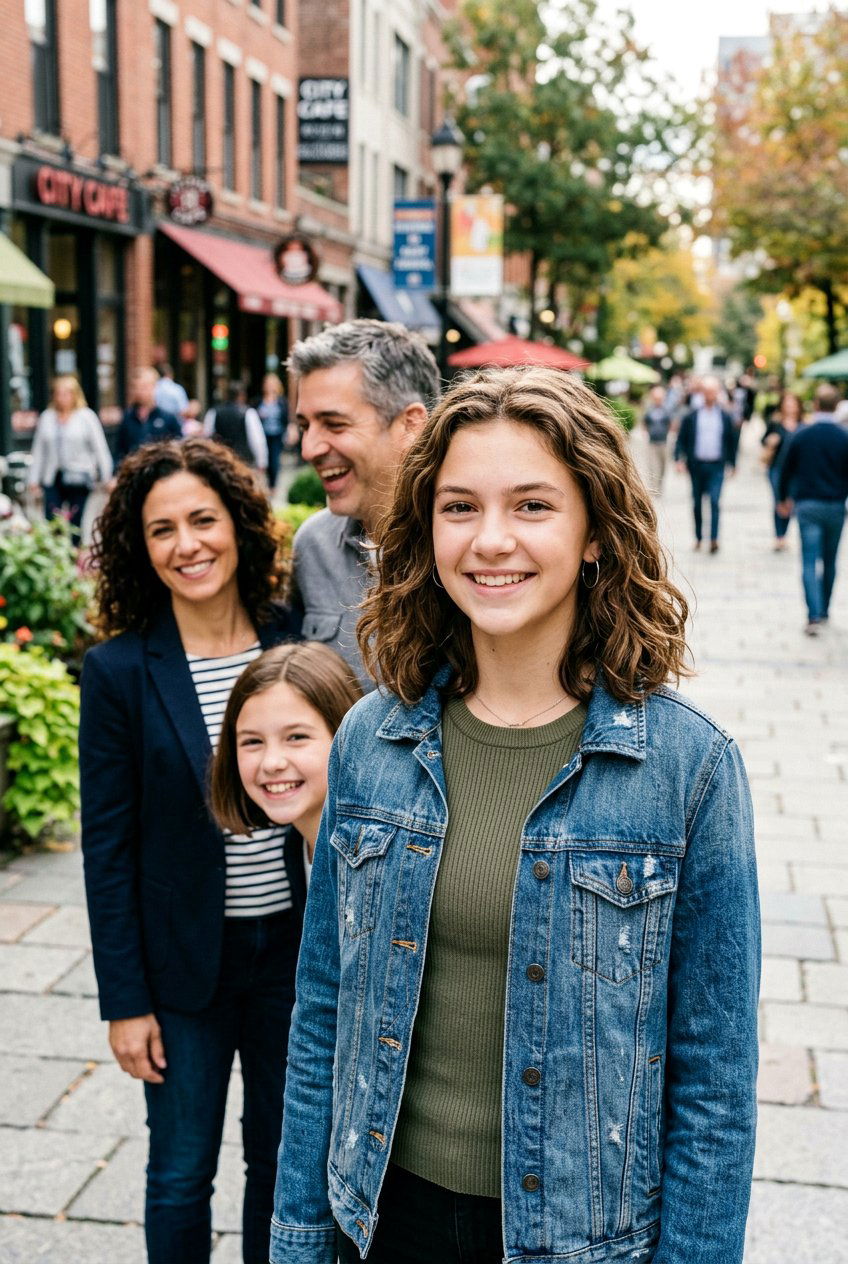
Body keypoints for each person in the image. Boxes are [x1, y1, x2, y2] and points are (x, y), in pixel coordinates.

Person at [271, 367, 760, 1264]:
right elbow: (323, 1015)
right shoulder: (371, 740)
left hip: (584, 1241)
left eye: (532, 505)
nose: (491, 540)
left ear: (595, 533)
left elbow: (714, 1087)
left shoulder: (687, 768)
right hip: (382, 1222)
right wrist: (298, 1240)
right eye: (460, 507)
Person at [78, 438, 303, 1264]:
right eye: (162, 529)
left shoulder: (292, 639)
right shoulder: (118, 671)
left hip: (293, 955)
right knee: (179, 1174)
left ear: (238, 523)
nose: (187, 544)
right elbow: (107, 846)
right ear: (140, 548)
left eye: (203, 520)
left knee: (282, 1166)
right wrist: (124, 1002)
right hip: (180, 970)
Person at [289, 318, 440, 685]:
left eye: (334, 424)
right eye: (305, 426)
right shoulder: (313, 546)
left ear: (411, 425)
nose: (309, 449)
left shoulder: (470, 548)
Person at [209, 642, 362, 883]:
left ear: (346, 735)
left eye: (296, 737)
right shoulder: (296, 846)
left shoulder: (374, 861)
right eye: (253, 741)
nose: (271, 763)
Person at [777, 382, 848, 635]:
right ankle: (825, 609)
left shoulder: (802, 435)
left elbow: (785, 469)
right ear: (836, 406)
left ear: (816, 405)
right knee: (830, 560)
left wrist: (783, 498)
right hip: (836, 506)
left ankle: (813, 614)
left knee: (809, 560)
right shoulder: (844, 436)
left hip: (807, 505)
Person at [28, 374, 113, 538]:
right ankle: (55, 550)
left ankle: (74, 550)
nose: (62, 398)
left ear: (75, 395)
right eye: (58, 393)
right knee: (52, 520)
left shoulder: (86, 416)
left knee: (75, 522)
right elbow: (39, 450)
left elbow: (100, 448)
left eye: (66, 393)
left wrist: (106, 476)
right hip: (53, 476)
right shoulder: (47, 417)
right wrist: (33, 478)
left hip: (79, 476)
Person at [674, 374, 738, 552]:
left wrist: (733, 463)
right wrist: (678, 459)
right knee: (697, 503)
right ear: (701, 393)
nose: (710, 394)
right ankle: (699, 537)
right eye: (707, 391)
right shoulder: (691, 416)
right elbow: (681, 439)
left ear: (718, 393)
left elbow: (732, 442)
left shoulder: (725, 416)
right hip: (696, 465)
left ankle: (714, 538)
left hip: (717, 465)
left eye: (713, 391)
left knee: (715, 501)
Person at [761, 390, 804, 551]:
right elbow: (763, 440)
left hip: (796, 471)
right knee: (779, 500)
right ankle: (779, 536)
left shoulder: (803, 426)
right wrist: (770, 441)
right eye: (787, 404)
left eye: (793, 403)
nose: (790, 407)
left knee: (790, 501)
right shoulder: (776, 424)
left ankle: (783, 534)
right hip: (777, 468)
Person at [117, 366, 183, 463]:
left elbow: (179, 449)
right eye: (135, 387)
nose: (139, 391)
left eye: (144, 387)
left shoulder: (168, 418)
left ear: (154, 387)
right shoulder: (127, 417)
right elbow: (120, 451)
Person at [205, 382, 268, 476]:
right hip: (243, 462)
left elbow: (207, 437)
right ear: (242, 396)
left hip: (221, 461)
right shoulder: (249, 413)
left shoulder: (213, 412)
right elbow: (257, 440)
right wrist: (262, 462)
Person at [255, 373, 289, 492]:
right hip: (262, 434)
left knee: (274, 458)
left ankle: (273, 485)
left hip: (276, 434)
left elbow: (286, 417)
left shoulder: (281, 401)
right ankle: (266, 482)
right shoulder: (259, 400)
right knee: (264, 458)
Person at [641, 383, 674, 495]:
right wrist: (645, 433)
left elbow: (671, 423)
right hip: (652, 442)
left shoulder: (666, 410)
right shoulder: (649, 410)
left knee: (663, 466)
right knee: (653, 465)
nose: (658, 400)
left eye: (660, 398)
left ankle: (659, 485)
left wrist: (670, 434)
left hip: (664, 442)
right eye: (656, 398)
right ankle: (654, 487)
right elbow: (644, 422)